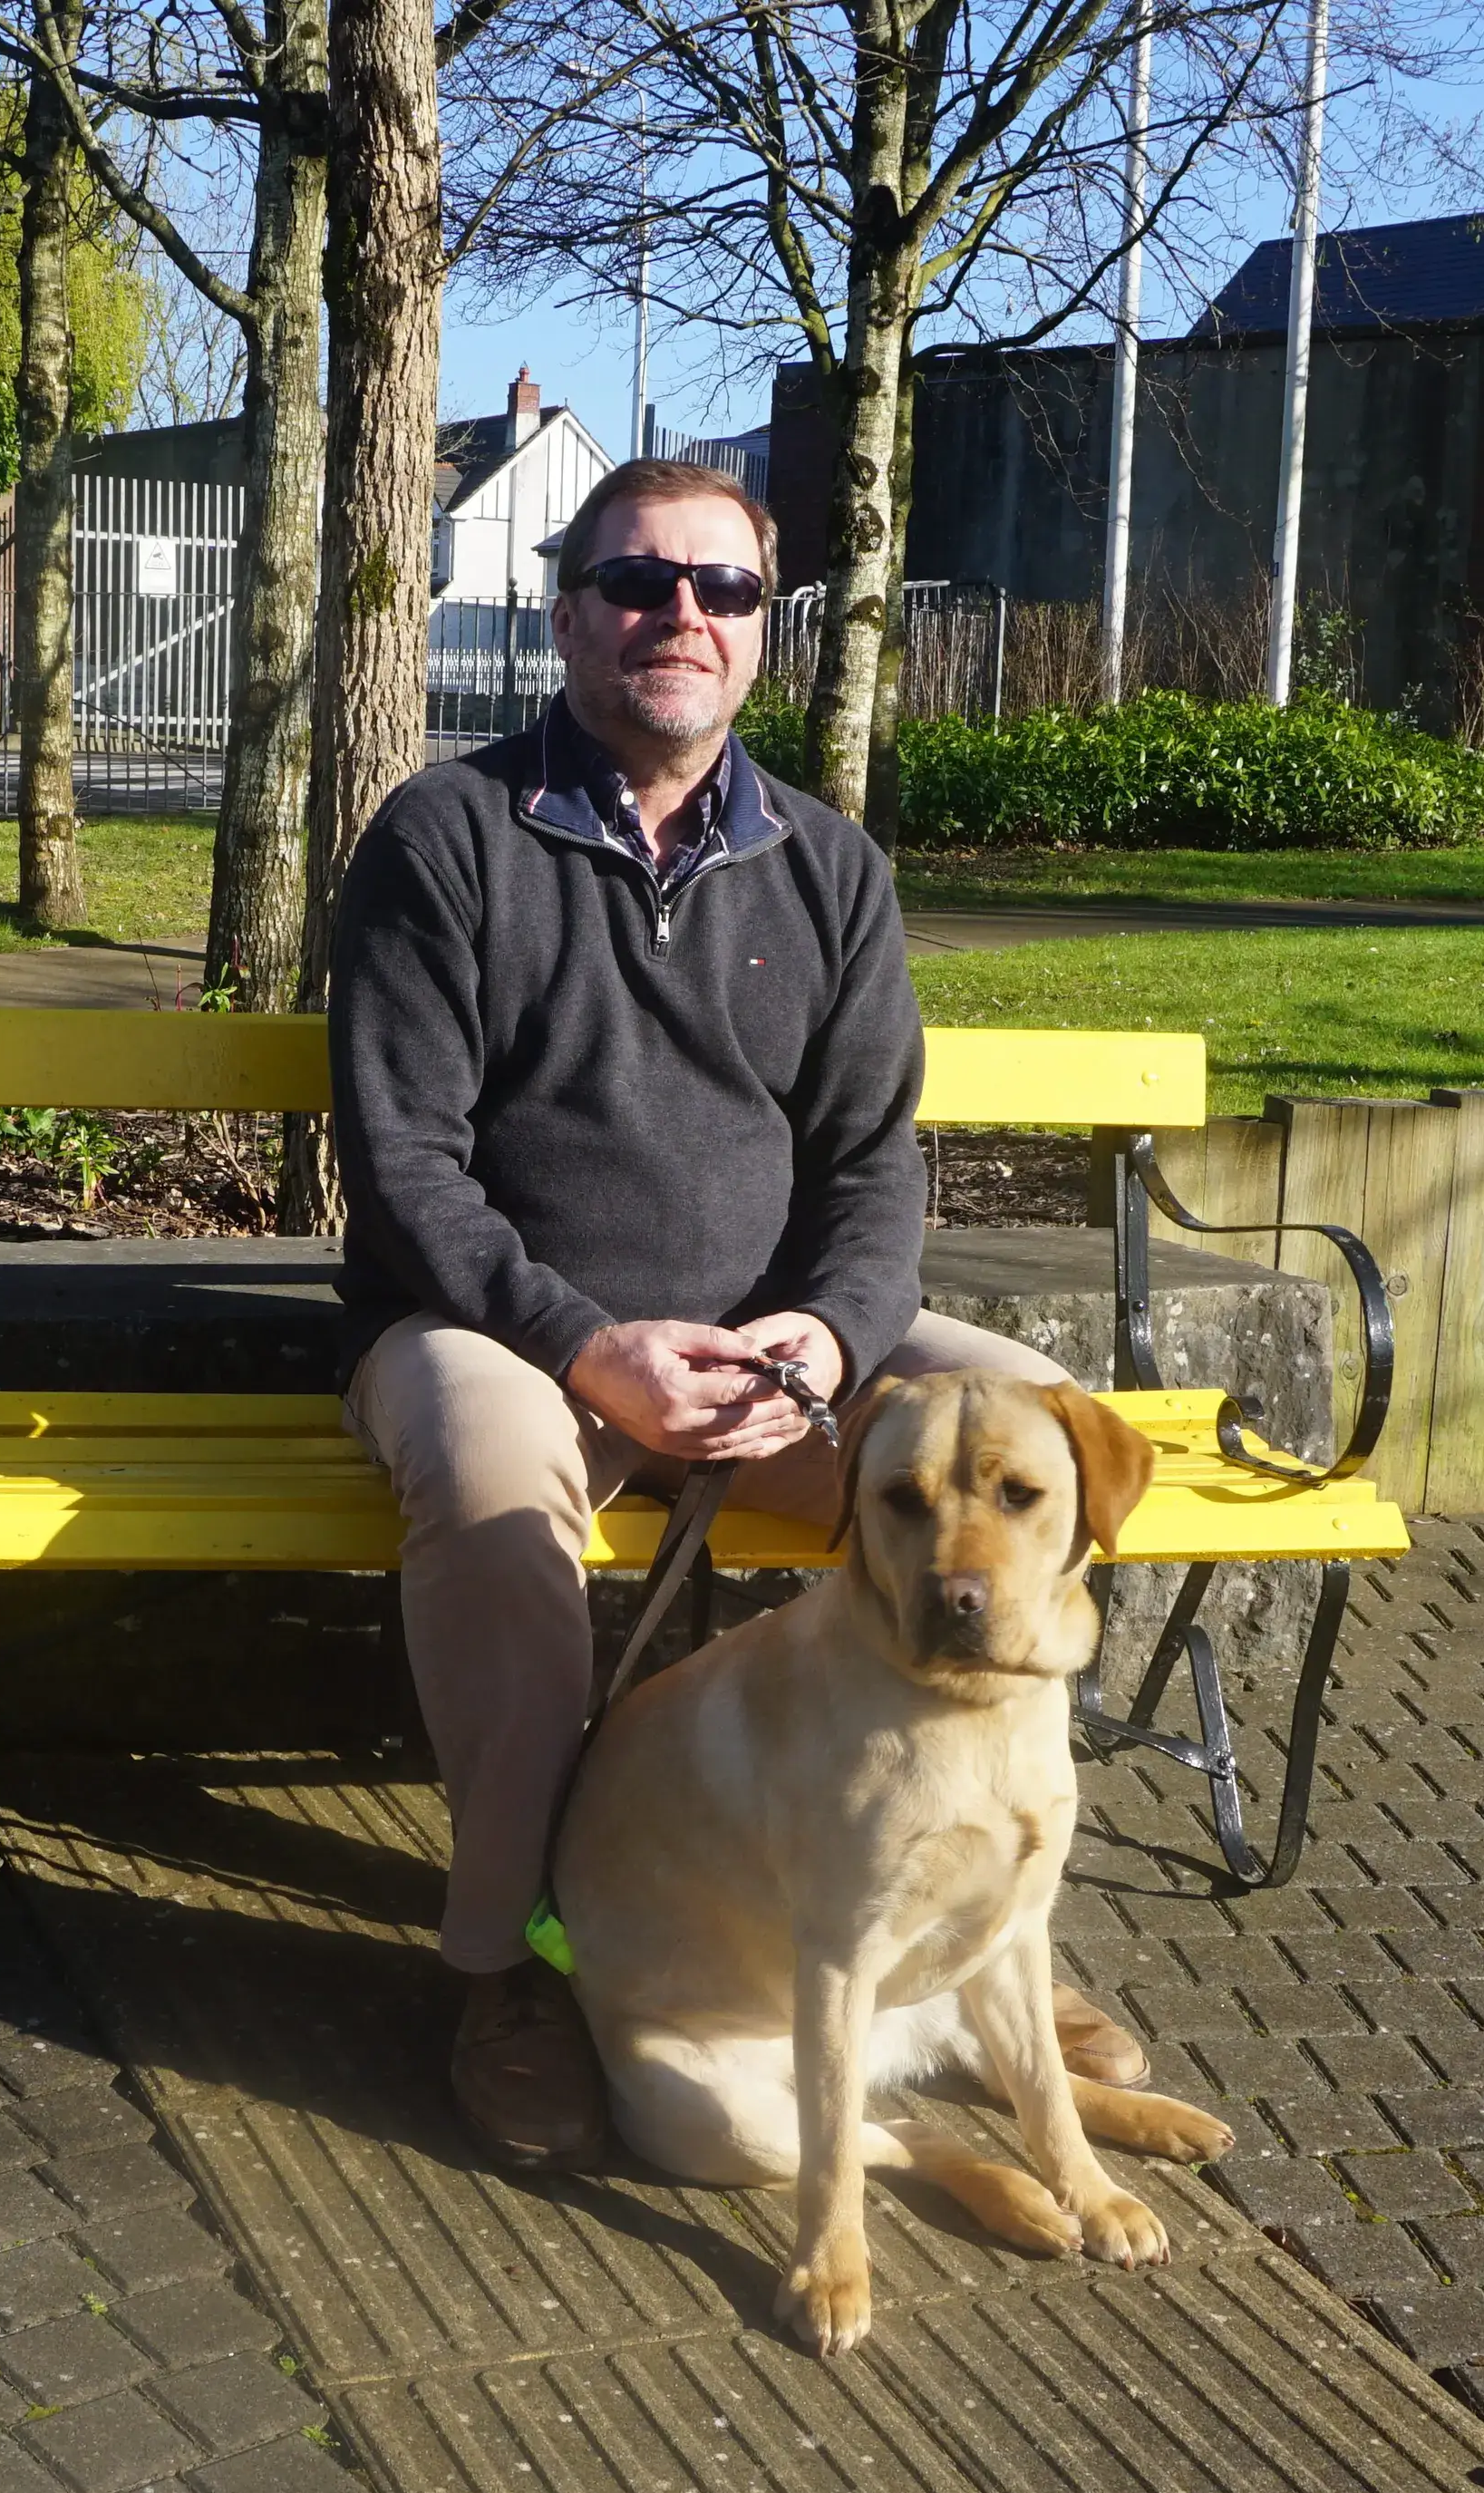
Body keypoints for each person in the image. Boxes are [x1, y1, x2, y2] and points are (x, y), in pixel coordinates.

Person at [328, 456, 1148, 2168]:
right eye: (637, 583)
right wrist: (585, 1346)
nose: (679, 617)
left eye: (722, 590)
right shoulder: (448, 837)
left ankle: (969, 1943)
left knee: (1036, 1435)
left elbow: (872, 1173)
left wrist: (826, 1345)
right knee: (490, 1510)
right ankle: (514, 1973)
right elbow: (400, 1166)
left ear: (765, 629)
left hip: (778, 1348)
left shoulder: (832, 872)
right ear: (565, 613)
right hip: (500, 1341)